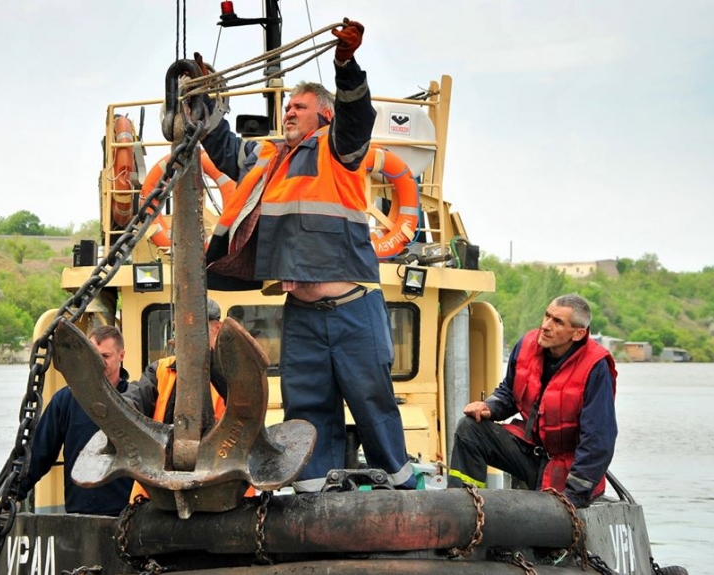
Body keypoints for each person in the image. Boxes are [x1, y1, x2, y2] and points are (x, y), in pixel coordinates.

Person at [201, 20, 415, 492]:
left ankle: (401, 491)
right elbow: (224, 147)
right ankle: (310, 496)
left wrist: (345, 65)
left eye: (299, 106)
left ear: (323, 114)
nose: (289, 113)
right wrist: (204, 101)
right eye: (288, 107)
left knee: (372, 402)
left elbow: (358, 118)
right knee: (306, 406)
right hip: (302, 316)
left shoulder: (339, 150)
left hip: (353, 311)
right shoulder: (268, 158)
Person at [447, 294, 617, 508]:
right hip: (530, 451)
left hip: (565, 468)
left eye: (557, 322)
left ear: (578, 333)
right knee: (470, 429)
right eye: (547, 316)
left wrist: (573, 497)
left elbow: (598, 441)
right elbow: (508, 392)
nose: (545, 326)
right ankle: (463, 508)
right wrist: (489, 407)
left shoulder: (596, 367)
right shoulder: (526, 345)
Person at [19, 325, 134, 515]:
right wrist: (11, 495)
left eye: (105, 357)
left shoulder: (137, 401)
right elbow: (38, 455)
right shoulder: (64, 401)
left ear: (121, 355)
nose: (98, 363)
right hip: (80, 517)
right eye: (92, 357)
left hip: (128, 516)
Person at [123, 297, 229, 500]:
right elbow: (135, 399)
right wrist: (119, 407)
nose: (188, 338)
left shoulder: (232, 377)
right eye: (181, 330)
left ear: (218, 328)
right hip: (154, 496)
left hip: (221, 492)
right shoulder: (158, 371)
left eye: (198, 331)